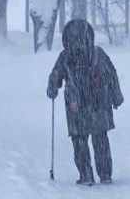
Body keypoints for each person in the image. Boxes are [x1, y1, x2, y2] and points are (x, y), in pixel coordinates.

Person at [46, 18, 123, 185]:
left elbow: (55, 76)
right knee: (100, 139)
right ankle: (105, 174)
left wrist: (52, 88)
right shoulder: (98, 53)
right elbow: (111, 75)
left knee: (79, 140)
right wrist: (116, 96)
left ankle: (86, 175)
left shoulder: (65, 56)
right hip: (99, 104)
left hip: (76, 106)